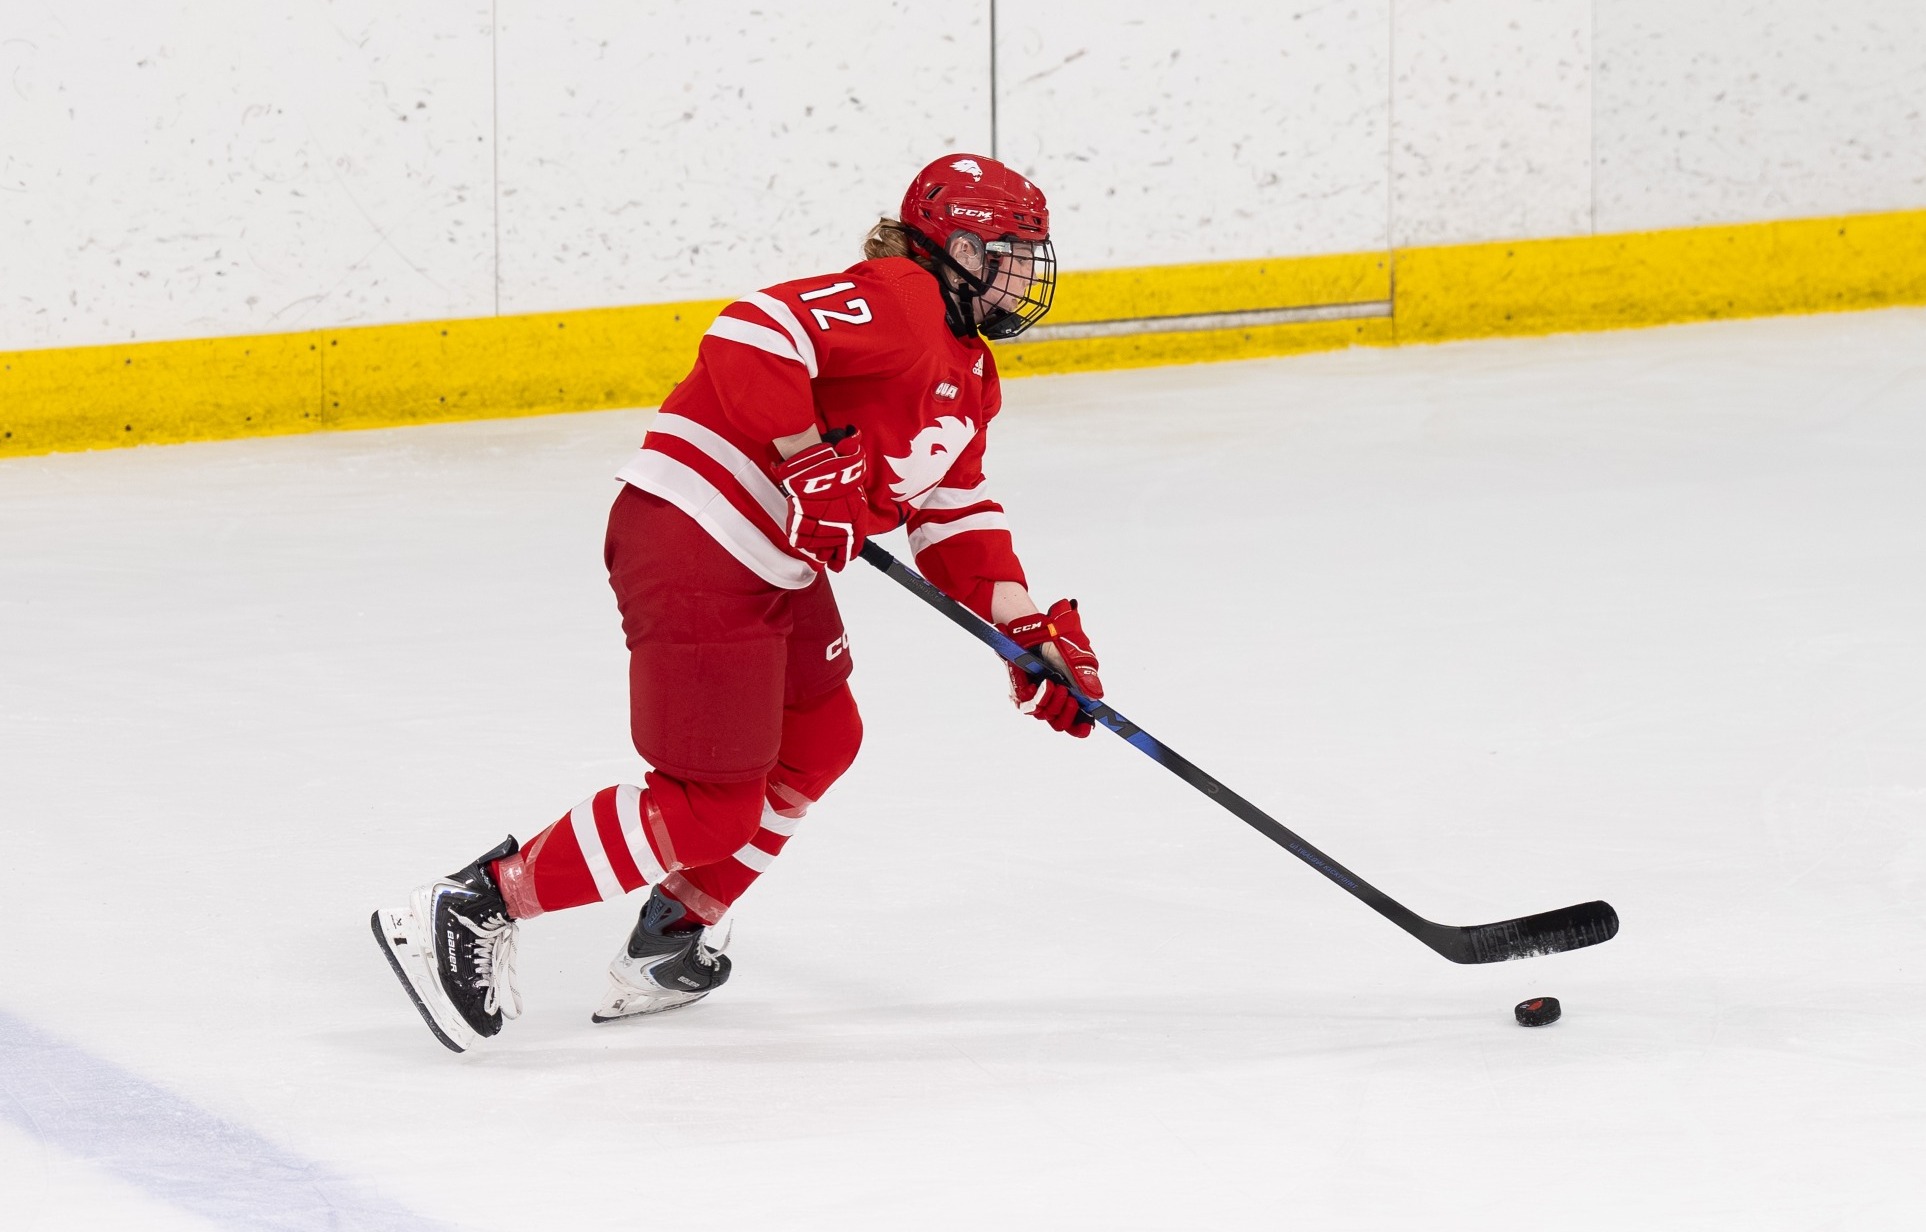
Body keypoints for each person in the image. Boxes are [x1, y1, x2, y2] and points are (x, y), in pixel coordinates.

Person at [372, 154, 1105, 1053]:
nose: (1025, 277)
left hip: (771, 565)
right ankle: (475, 904)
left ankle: (671, 933)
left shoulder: (971, 372)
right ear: (952, 250)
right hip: (698, 536)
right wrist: (807, 457)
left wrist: (1025, 631)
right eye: (1009, 255)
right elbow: (753, 330)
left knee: (822, 736)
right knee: (706, 805)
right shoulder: (902, 300)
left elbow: (953, 511)